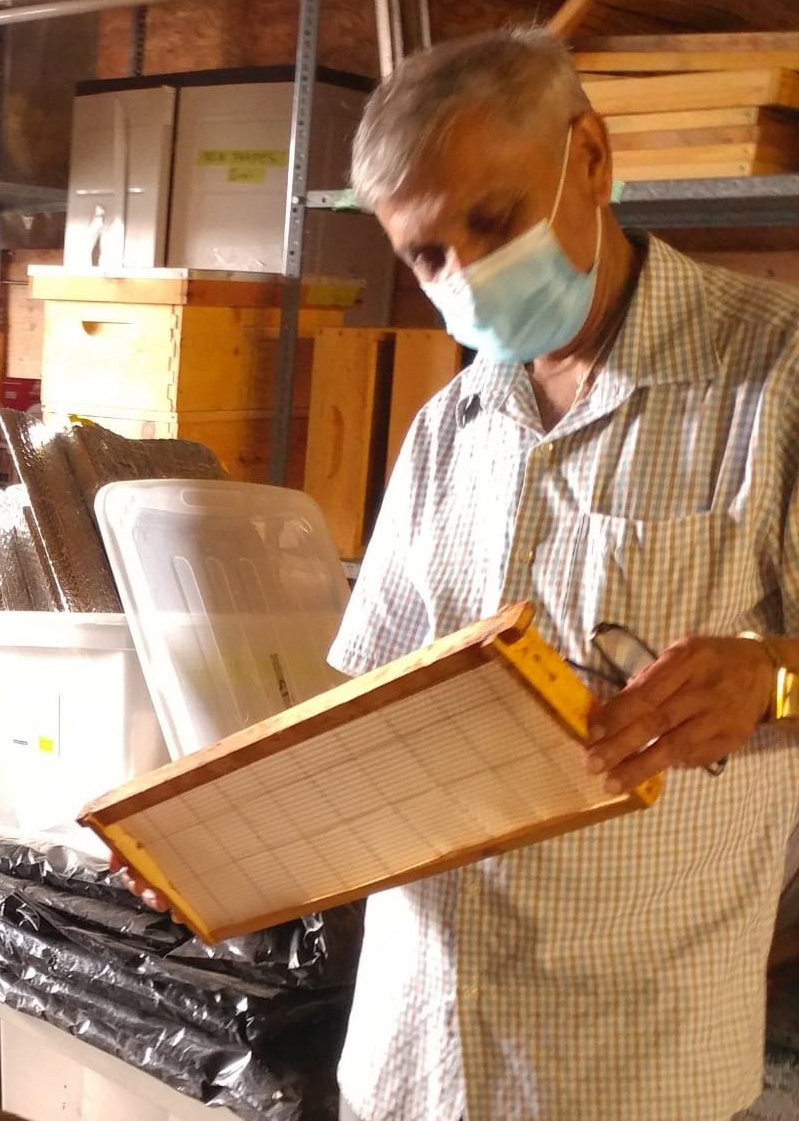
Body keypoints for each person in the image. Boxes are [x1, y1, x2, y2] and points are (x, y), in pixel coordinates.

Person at [124, 27, 799, 1121]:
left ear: (590, 157)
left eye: (491, 220)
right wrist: (211, 849)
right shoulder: (450, 424)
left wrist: (771, 679)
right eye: (428, 255)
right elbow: (368, 726)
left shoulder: (772, 373)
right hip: (414, 1049)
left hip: (625, 1065)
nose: (469, 275)